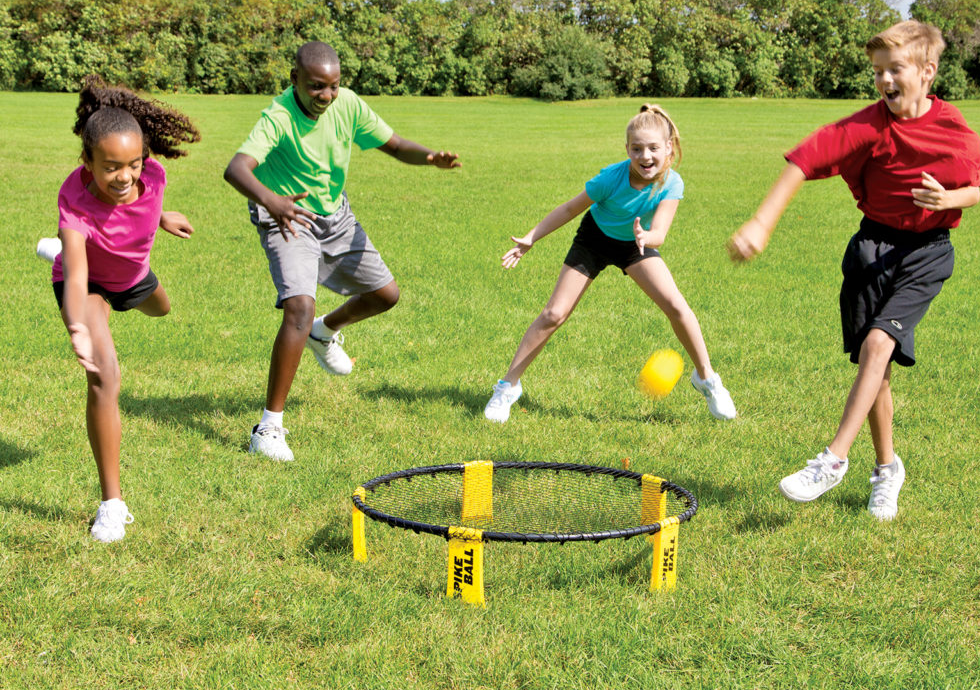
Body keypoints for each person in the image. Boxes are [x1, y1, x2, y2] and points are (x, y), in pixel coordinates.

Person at [728, 20, 980, 520]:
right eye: (877, 72)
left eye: (896, 70)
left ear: (928, 71)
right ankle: (887, 469)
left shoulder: (956, 132)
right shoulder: (868, 127)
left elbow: (974, 189)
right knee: (877, 370)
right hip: (872, 247)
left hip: (926, 251)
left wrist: (949, 198)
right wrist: (761, 223)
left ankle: (833, 459)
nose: (885, 81)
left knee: (877, 344)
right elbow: (804, 160)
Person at [224, 41, 460, 462]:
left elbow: (394, 144)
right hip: (289, 217)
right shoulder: (278, 117)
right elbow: (237, 168)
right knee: (298, 305)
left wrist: (429, 158)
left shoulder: (347, 105)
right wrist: (273, 202)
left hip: (336, 215)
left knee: (385, 295)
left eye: (333, 86)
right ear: (294, 78)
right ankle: (268, 428)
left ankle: (323, 330)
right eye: (316, 87)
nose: (326, 96)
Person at [484, 103, 736, 424]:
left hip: (636, 242)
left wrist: (646, 238)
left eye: (653, 148)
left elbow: (660, 231)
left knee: (677, 306)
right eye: (637, 149)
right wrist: (532, 237)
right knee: (553, 314)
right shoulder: (610, 178)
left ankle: (707, 379)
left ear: (668, 147)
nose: (645, 157)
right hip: (594, 239)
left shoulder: (672, 183)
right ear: (627, 149)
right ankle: (508, 386)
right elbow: (568, 209)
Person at [42, 76, 199, 542]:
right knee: (104, 374)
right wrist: (77, 327)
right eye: (111, 167)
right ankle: (112, 504)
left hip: (130, 276)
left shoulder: (153, 175)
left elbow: (143, 199)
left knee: (161, 308)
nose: (125, 177)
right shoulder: (74, 202)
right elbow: (74, 274)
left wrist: (162, 216)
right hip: (86, 277)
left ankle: (113, 302)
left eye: (133, 164)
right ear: (86, 163)